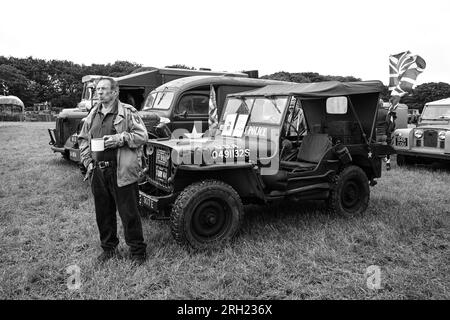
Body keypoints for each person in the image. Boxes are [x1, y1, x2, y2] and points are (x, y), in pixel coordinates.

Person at [78, 77, 148, 265]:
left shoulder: (128, 112)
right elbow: (83, 138)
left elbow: (142, 136)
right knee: (103, 213)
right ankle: (109, 249)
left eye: (103, 89)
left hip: (122, 170)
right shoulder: (94, 113)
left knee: (129, 213)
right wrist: (87, 161)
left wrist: (120, 138)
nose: (99, 92)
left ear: (115, 92)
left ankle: (138, 252)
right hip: (98, 171)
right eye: (97, 89)